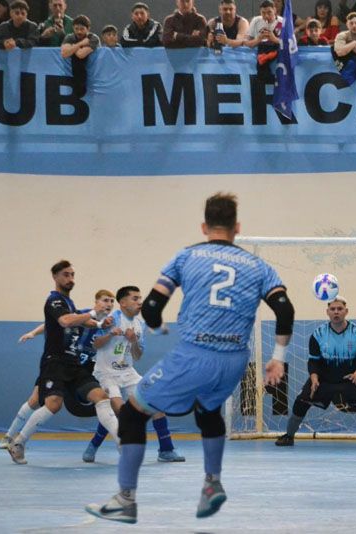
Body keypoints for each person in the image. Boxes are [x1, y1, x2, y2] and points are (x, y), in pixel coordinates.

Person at [85, 193, 294, 523]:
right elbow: (284, 309)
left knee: (132, 415)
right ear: (236, 227)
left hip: (195, 355)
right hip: (235, 361)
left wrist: (154, 324)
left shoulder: (187, 256)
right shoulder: (259, 266)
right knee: (208, 409)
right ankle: (212, 483)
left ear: (204, 226)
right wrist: (278, 358)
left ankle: (125, 499)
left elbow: (152, 307)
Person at [6, 261, 120, 464]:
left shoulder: (69, 303)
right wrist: (94, 312)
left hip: (74, 364)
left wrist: (101, 323)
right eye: (66, 275)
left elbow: (81, 320)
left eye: (73, 275)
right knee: (53, 404)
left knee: (101, 397)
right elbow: (65, 321)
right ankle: (18, 442)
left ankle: (123, 444)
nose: (70, 279)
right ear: (56, 277)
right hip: (55, 362)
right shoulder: (54, 300)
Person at [82, 285, 185, 463]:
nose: (140, 302)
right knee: (120, 410)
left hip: (128, 372)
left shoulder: (140, 324)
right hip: (106, 373)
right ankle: (95, 445)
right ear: (122, 303)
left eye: (140, 298)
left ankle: (166, 450)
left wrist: (134, 340)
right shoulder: (110, 319)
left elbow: (137, 355)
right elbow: (94, 345)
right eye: (135, 298)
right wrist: (110, 335)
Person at [275, 296, 356, 450]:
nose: (336, 312)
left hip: (351, 379)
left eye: (340, 309)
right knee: (301, 401)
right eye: (333, 309)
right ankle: (289, 436)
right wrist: (314, 377)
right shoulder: (318, 334)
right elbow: (313, 361)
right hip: (324, 379)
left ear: (346, 311)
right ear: (327, 312)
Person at [61, 15, 99, 98]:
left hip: (93, 73)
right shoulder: (69, 37)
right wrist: (81, 43)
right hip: (77, 74)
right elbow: (64, 54)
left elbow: (81, 55)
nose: (79, 32)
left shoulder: (93, 38)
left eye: (82, 29)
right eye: (76, 29)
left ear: (88, 29)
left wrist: (73, 47)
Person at [246, 0, 283, 83]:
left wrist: (274, 39)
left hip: (277, 57)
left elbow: (290, 44)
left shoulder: (282, 22)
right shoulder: (256, 21)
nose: (266, 16)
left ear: (275, 10)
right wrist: (259, 39)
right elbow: (247, 43)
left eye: (269, 12)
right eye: (263, 13)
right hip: (259, 55)